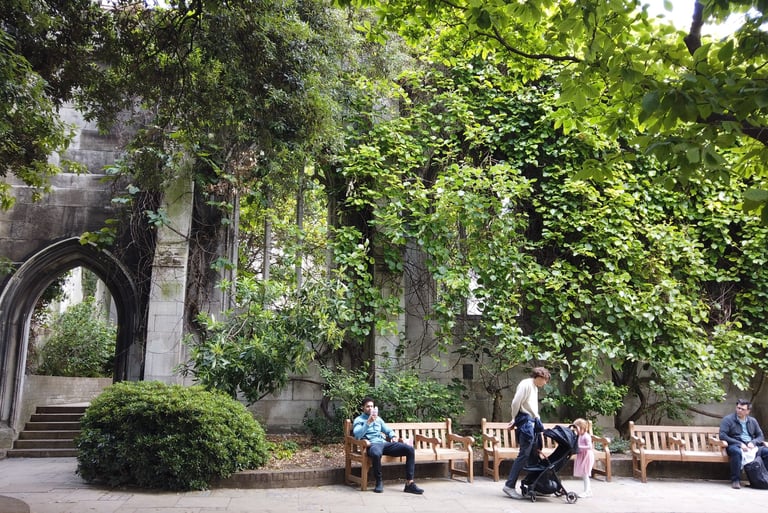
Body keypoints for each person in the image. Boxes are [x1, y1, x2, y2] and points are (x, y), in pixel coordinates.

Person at [352, 397, 424, 494]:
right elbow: (357, 434)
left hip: (384, 443)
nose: (370, 408)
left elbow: (388, 430)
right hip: (372, 445)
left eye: (372, 406)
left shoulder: (378, 419)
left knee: (409, 449)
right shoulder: (359, 420)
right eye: (367, 406)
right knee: (376, 454)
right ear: (363, 408)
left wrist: (393, 436)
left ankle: (409, 484)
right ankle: (379, 482)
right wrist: (368, 422)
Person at [502, 366, 551, 500]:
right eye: (545, 380)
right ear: (539, 377)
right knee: (523, 456)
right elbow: (515, 402)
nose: (545, 383)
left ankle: (535, 485)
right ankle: (509, 486)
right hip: (526, 424)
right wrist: (514, 418)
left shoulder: (533, 386)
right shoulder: (526, 384)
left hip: (531, 424)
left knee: (533, 456)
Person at [719, 399, 768, 489]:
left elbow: (760, 436)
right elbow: (722, 436)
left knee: (766, 452)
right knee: (736, 452)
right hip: (734, 445)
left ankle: (763, 479)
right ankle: (736, 480)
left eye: (743, 409)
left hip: (751, 446)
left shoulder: (753, 421)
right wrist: (739, 443)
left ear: (748, 411)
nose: (739, 410)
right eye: (738, 408)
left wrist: (753, 442)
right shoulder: (728, 420)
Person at [572, 418, 595, 498]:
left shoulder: (586, 436)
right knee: (584, 474)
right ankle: (587, 490)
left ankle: (587, 491)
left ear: (582, 428)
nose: (575, 431)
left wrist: (579, 447)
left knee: (585, 474)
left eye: (576, 429)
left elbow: (589, 446)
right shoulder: (579, 436)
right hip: (582, 456)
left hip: (586, 456)